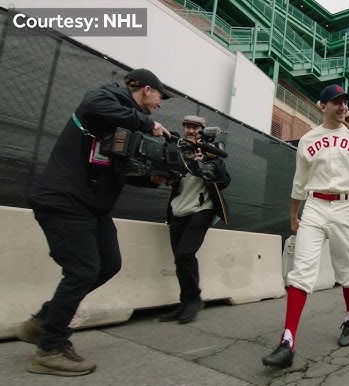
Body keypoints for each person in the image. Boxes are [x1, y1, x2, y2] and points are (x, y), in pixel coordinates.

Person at [14, 69, 172, 376]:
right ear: (147, 90)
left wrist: (151, 179)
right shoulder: (106, 98)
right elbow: (92, 104)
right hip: (63, 200)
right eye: (160, 98)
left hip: (92, 207)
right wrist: (147, 123)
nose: (160, 105)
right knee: (83, 270)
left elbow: (118, 169)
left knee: (108, 263)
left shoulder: (123, 124)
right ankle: (49, 348)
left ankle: (45, 322)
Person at [261, 84, 349, 368]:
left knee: (346, 270)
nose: (341, 107)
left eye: (344, 103)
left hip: (345, 206)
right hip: (315, 204)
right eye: (335, 102)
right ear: (322, 106)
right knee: (301, 271)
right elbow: (299, 182)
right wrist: (294, 214)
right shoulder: (308, 139)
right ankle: (287, 341)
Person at [157, 115, 231, 324]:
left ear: (202, 130)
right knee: (180, 259)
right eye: (188, 126)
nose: (191, 130)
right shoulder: (177, 150)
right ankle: (185, 301)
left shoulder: (211, 152)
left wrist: (203, 165)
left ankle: (194, 299)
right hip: (178, 209)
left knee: (185, 253)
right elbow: (168, 176)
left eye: (195, 127)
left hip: (202, 208)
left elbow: (222, 178)